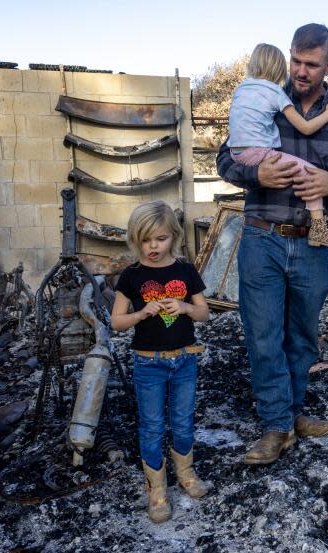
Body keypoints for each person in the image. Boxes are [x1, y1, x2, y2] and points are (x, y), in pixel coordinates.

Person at [216, 23, 328, 465]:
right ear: (289, 56)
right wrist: (255, 174)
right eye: (297, 62)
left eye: (312, 64)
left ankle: (293, 412)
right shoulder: (261, 96)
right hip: (261, 236)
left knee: (301, 337)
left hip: (312, 244)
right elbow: (225, 158)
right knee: (263, 336)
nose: (302, 72)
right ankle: (276, 426)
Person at [110, 201, 211, 523]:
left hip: (184, 360)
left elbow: (204, 314)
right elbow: (117, 322)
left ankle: (186, 473)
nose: (153, 247)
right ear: (135, 239)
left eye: (161, 239)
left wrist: (183, 307)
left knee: (182, 420)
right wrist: (141, 313)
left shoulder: (185, 270)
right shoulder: (132, 276)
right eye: (145, 240)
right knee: (152, 425)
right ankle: (156, 488)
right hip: (148, 363)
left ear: (174, 237)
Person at [228, 42, 328, 248]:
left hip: (236, 153)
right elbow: (306, 128)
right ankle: (319, 229)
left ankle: (318, 229)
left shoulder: (241, 89)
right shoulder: (276, 93)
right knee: (312, 174)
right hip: (258, 154)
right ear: (280, 67)